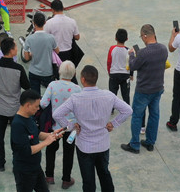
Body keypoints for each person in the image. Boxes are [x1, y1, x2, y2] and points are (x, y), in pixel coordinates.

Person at [53, 64, 131, 192]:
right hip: (103, 144)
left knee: (88, 180)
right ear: (96, 79)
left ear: (82, 79)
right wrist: (113, 123)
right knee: (104, 174)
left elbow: (57, 114)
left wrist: (71, 126)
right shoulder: (108, 95)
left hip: (84, 146)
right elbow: (127, 110)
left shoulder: (75, 98)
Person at [0, 37, 30, 172]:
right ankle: (17, 162)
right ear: (11, 50)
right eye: (15, 47)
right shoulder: (18, 68)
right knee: (17, 138)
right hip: (15, 108)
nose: (16, 49)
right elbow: (27, 86)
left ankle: (0, 162)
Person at [121, 24, 168, 153]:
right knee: (154, 115)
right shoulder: (164, 49)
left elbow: (133, 66)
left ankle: (134, 144)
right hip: (158, 88)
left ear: (145, 36)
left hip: (144, 90)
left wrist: (132, 55)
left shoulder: (143, 53)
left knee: (137, 116)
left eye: (142, 36)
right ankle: (150, 142)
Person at [12, 90, 62, 192]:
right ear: (27, 105)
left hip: (35, 167)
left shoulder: (29, 117)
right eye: (36, 106)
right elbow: (26, 150)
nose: (38, 108)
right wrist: (46, 143)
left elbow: (37, 134)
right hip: (24, 171)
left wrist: (52, 135)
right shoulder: (18, 125)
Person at [41, 61, 80, 187]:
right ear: (74, 74)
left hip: (54, 126)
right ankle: (66, 179)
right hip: (71, 127)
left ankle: (49, 176)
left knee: (51, 149)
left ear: (59, 72)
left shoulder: (53, 85)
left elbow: (43, 104)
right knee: (69, 152)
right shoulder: (77, 88)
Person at [23, 12, 58, 94]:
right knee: (50, 95)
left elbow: (26, 58)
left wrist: (32, 54)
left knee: (35, 96)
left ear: (33, 23)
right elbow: (57, 51)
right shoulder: (51, 38)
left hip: (33, 72)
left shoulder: (29, 38)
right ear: (45, 22)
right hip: (47, 72)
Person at [45, 0, 80, 67]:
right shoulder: (72, 21)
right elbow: (77, 37)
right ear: (63, 8)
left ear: (52, 10)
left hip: (55, 54)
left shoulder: (49, 23)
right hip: (69, 53)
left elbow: (45, 39)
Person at [107, 29, 131, 103]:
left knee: (112, 94)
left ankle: (111, 109)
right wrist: (131, 74)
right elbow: (130, 63)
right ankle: (127, 108)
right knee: (126, 94)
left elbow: (109, 62)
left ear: (115, 38)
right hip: (125, 75)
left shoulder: (112, 48)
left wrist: (109, 72)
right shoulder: (128, 50)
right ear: (127, 39)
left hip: (114, 74)